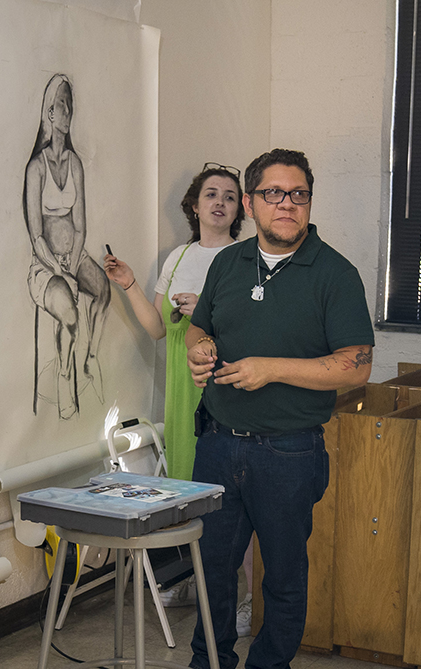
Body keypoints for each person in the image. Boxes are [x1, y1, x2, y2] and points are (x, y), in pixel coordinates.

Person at [185, 148, 374, 669]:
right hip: (218, 446)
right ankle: (210, 662)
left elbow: (356, 366)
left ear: (309, 202)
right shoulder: (227, 263)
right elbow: (201, 326)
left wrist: (272, 368)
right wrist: (196, 346)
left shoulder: (335, 273)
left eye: (298, 194)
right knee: (213, 571)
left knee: (284, 578)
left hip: (289, 454)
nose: (286, 204)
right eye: (273, 193)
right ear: (251, 202)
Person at [104, 163, 249, 612]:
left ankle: (242, 598)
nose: (220, 201)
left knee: (230, 499)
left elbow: (250, 330)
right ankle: (199, 584)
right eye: (211, 194)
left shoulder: (246, 260)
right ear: (194, 205)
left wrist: (204, 308)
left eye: (229, 195)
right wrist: (129, 284)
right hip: (184, 390)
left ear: (240, 208)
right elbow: (157, 329)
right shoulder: (179, 258)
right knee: (192, 490)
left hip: (225, 385)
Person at [24, 73, 110, 418]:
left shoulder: (74, 163)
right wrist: (60, 272)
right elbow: (36, 236)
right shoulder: (36, 167)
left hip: (72, 258)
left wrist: (73, 269)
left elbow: (80, 227)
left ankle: (90, 358)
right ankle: (65, 381)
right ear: (49, 113)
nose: (67, 112)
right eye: (61, 105)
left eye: (69, 105)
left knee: (103, 290)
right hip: (44, 266)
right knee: (70, 313)